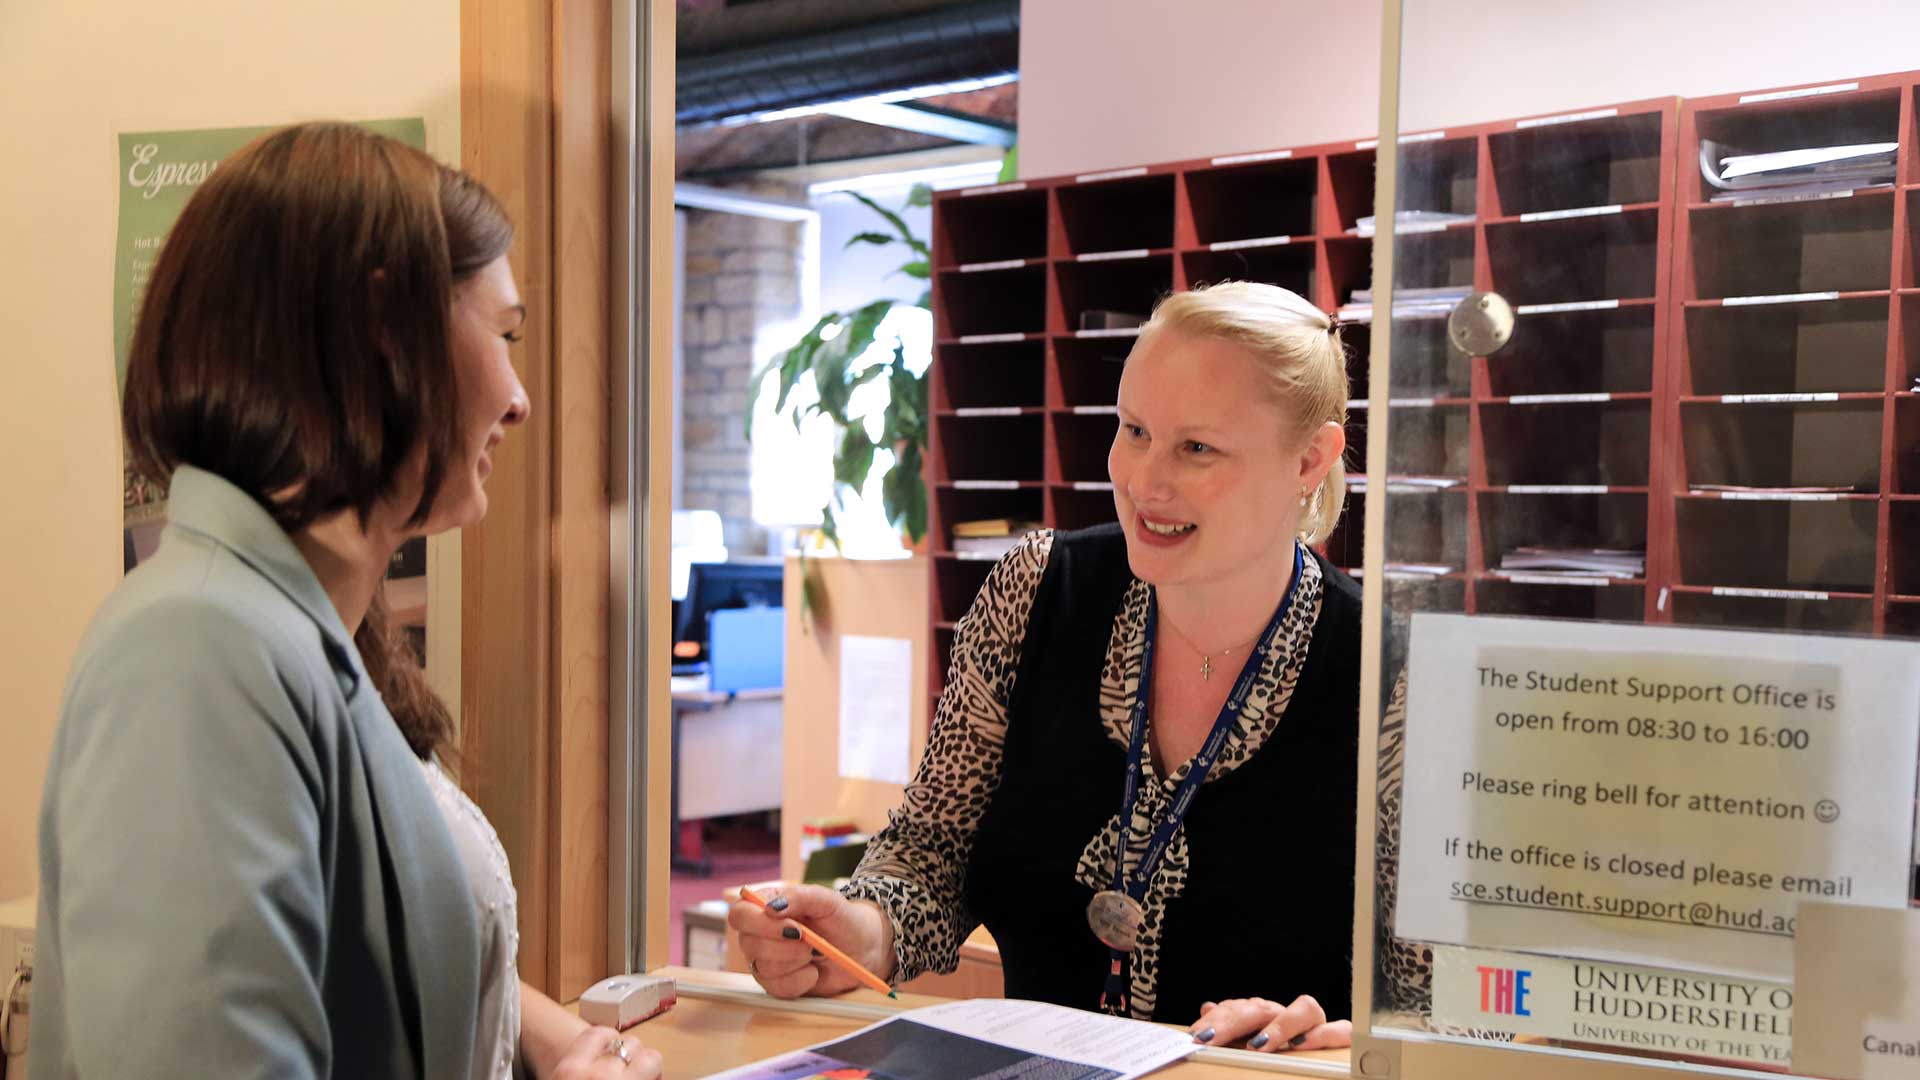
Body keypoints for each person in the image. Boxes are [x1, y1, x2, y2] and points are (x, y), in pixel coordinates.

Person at [33, 123, 659, 1080]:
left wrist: (558, 1043)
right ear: (386, 328)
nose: (521, 398)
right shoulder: (197, 651)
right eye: (504, 335)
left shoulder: (292, 632)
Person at [733, 281, 1380, 1052]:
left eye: (1196, 447)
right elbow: (932, 859)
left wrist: (1348, 1040)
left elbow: (1445, 1005)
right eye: (1134, 430)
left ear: (1310, 459)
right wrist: (860, 932)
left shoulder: (1385, 671)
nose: (1144, 482)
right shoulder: (1036, 590)